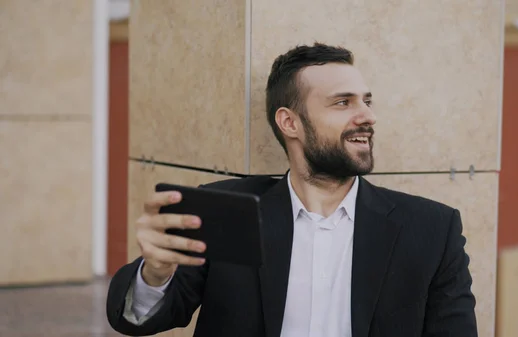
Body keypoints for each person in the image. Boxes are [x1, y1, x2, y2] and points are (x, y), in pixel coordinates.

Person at [106, 42, 478, 337]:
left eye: (366, 100)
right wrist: (155, 273)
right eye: (343, 102)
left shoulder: (431, 229)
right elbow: (143, 319)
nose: (367, 115)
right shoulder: (227, 210)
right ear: (290, 123)